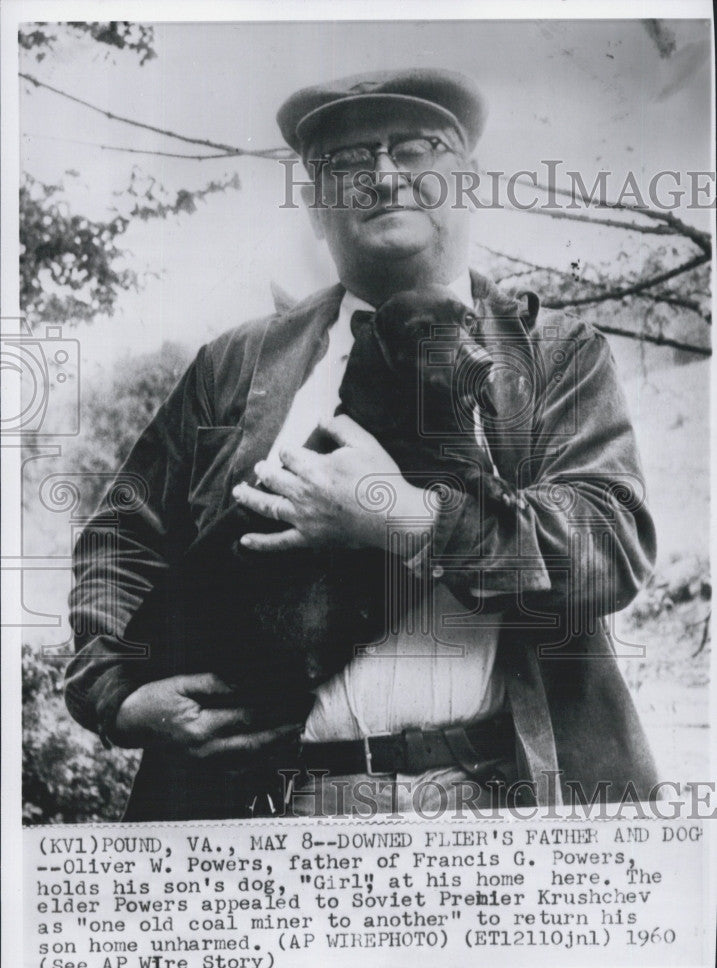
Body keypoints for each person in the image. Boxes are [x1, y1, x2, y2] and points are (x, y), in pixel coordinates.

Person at [65, 68, 658, 821]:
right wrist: (116, 696)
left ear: (464, 182)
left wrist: (402, 519)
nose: (383, 176)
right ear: (315, 207)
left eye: (414, 149)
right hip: (259, 812)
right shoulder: (235, 365)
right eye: (346, 163)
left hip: (495, 805)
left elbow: (611, 548)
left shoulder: (555, 356)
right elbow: (120, 539)